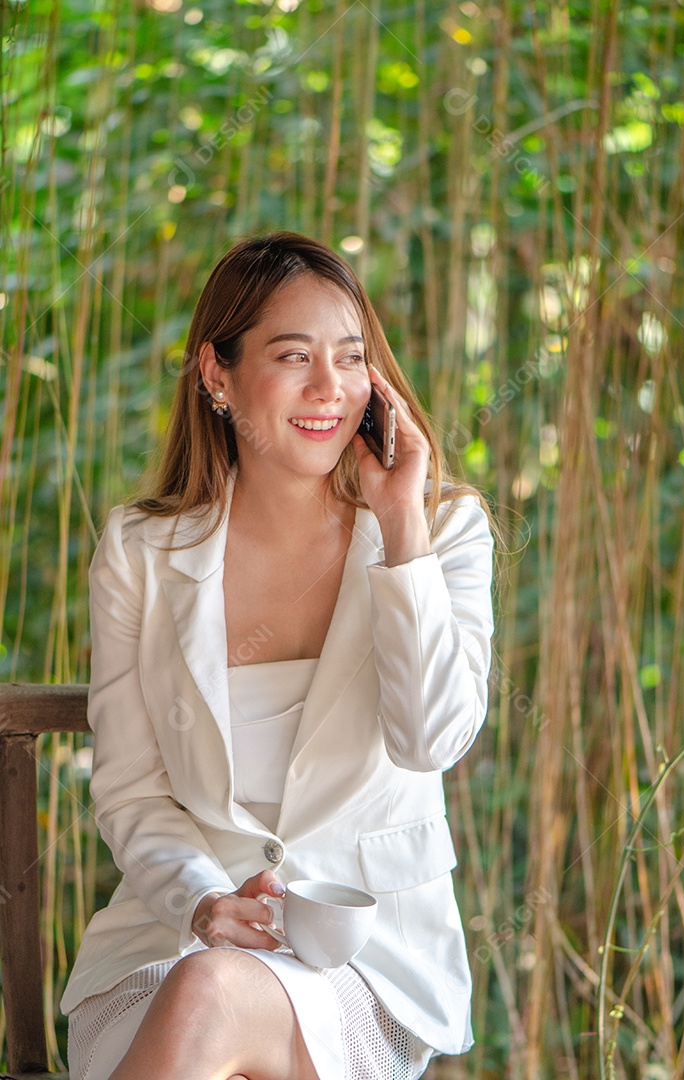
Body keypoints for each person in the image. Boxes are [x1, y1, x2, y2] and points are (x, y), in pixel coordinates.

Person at [60, 231, 495, 1080]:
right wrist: (202, 904)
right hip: (168, 943)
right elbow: (130, 789)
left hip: (364, 965)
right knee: (203, 991)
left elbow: (432, 740)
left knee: (213, 997)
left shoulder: (441, 530)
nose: (328, 388)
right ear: (215, 375)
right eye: (292, 356)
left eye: (349, 357)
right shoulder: (142, 552)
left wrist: (401, 528)